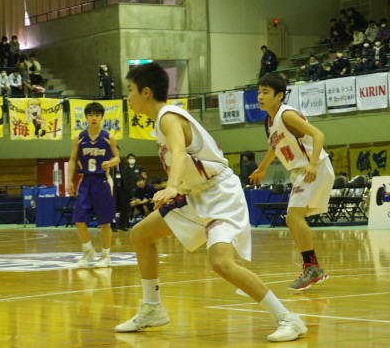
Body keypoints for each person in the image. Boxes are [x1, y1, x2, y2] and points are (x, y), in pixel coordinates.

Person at [118, 63, 305, 341]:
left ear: (146, 92)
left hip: (219, 193)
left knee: (221, 263)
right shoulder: (163, 119)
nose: (128, 97)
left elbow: (179, 152)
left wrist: (171, 186)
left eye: (130, 90)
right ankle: (152, 308)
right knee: (141, 234)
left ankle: (288, 318)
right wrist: (178, 188)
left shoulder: (168, 117)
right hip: (196, 194)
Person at [250, 72, 333, 291]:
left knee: (293, 217)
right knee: (294, 219)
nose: (260, 97)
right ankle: (312, 267)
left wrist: (313, 164)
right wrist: (263, 166)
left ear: (279, 96)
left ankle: (312, 268)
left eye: (265, 92)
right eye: (258, 92)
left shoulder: (286, 114)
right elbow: (275, 145)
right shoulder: (270, 120)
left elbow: (318, 135)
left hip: (314, 167)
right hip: (302, 170)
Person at [67, 102, 120, 269]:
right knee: (79, 220)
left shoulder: (108, 137)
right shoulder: (79, 137)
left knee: (105, 222)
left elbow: (117, 157)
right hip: (85, 181)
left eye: (97, 115)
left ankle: (106, 256)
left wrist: (111, 162)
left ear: (101, 117)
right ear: (86, 117)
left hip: (102, 181)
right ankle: (88, 250)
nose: (94, 118)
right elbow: (73, 159)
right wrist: (69, 180)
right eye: (91, 115)